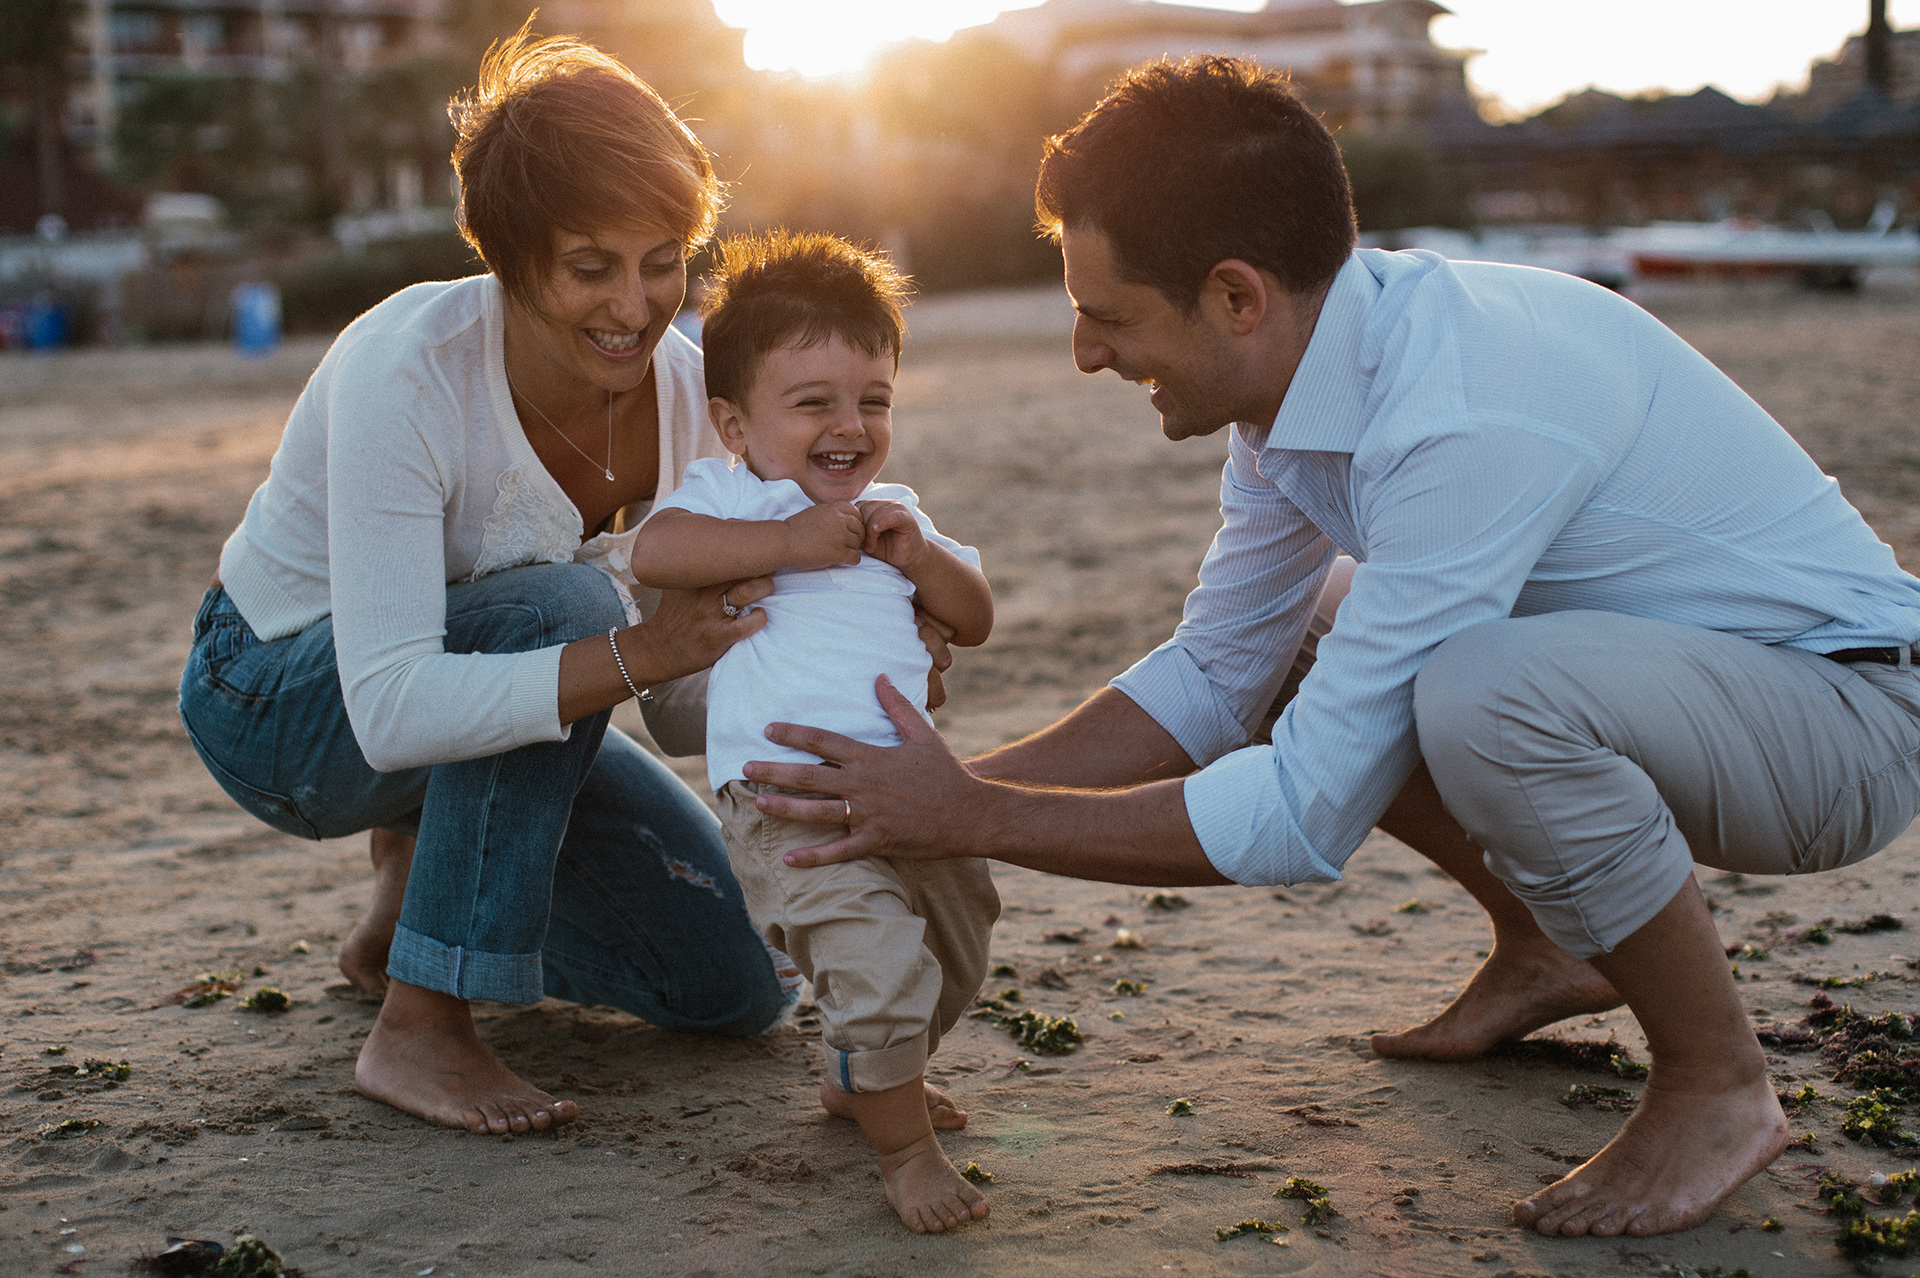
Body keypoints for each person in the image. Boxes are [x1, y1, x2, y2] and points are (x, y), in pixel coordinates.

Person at [734, 56, 1920, 1239]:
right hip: (1694, 689)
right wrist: (936, 796)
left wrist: (974, 822)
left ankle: (1718, 1081)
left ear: (1237, 298)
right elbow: (1216, 674)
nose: (1087, 355)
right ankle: (1550, 945)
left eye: (1107, 317)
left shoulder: (1459, 407)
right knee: (1327, 631)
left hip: (1844, 726)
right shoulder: (1303, 390)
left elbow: (1305, 815)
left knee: (1478, 692)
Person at [177, 27, 797, 1138]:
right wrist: (641, 649)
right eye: (589, 266)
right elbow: (392, 703)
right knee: (565, 607)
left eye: (663, 260)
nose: (635, 304)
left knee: (734, 989)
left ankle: (411, 896)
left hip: (484, 714)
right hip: (278, 702)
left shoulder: (694, 399)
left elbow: (671, 703)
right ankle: (423, 1021)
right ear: (508, 261)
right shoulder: (407, 371)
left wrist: (799, 654)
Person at [630, 231, 998, 1234]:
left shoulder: (895, 514)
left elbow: (975, 614)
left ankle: (861, 1074)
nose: (851, 426)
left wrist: (926, 563)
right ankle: (903, 1152)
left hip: (915, 792)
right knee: (877, 966)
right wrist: (785, 542)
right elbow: (658, 552)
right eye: (813, 404)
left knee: (953, 958)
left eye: (873, 399)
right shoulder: (732, 498)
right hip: (786, 797)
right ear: (733, 423)